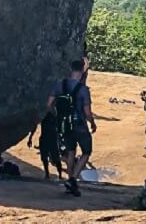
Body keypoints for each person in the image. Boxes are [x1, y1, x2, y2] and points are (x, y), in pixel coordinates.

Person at [47, 59, 96, 197]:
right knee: (86, 151)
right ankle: (73, 179)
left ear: (70, 68)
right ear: (82, 71)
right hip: (79, 124)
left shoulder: (60, 84)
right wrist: (92, 123)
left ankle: (70, 181)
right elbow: (87, 113)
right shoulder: (83, 90)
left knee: (70, 152)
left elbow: (49, 104)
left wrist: (57, 115)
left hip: (65, 124)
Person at [27, 108, 64, 181]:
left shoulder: (49, 111)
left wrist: (30, 138)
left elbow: (35, 125)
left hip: (49, 137)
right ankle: (55, 174)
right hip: (50, 137)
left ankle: (54, 174)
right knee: (50, 157)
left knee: (51, 157)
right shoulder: (51, 111)